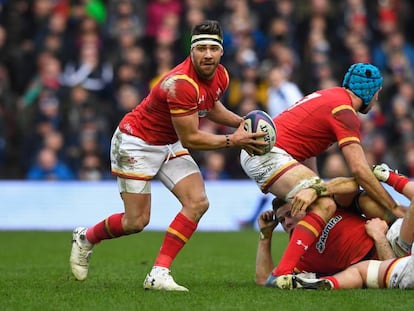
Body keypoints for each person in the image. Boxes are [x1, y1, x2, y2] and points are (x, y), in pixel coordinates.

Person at [69, 20, 266, 292]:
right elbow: (192, 138)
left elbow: (210, 106)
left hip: (167, 141)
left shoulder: (221, 75)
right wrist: (235, 140)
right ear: (191, 51)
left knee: (197, 202)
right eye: (201, 48)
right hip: (135, 143)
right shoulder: (180, 83)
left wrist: (241, 121)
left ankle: (158, 272)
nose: (207, 54)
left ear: (222, 52)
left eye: (213, 48)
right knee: (136, 222)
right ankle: (86, 237)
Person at [241, 62, 404, 280]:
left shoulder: (329, 96)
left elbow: (306, 147)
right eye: (377, 94)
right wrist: (393, 206)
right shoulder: (345, 111)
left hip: (267, 153)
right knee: (325, 203)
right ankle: (283, 273)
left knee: (328, 198)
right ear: (370, 91)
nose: (376, 101)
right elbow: (360, 169)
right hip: (269, 155)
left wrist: (315, 184)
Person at [257, 163, 414, 286]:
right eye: (282, 220)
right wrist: (265, 235)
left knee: (365, 200)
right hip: (381, 262)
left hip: (394, 234)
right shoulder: (299, 255)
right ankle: (390, 178)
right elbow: (266, 279)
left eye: (290, 213)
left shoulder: (328, 207)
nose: (287, 222)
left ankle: (393, 190)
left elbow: (352, 184)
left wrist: (315, 191)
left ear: (305, 204)